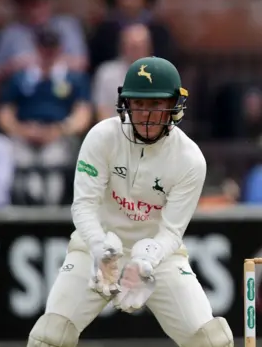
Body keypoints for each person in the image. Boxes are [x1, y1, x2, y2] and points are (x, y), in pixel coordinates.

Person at [27, 56, 233, 347]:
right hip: (94, 248)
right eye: (139, 104)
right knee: (49, 337)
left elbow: (172, 232)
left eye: (156, 105)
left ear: (174, 106)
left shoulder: (190, 159)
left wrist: (148, 257)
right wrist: (99, 247)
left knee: (211, 341)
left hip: (158, 256)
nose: (146, 116)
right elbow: (83, 206)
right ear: (126, 104)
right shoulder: (102, 137)